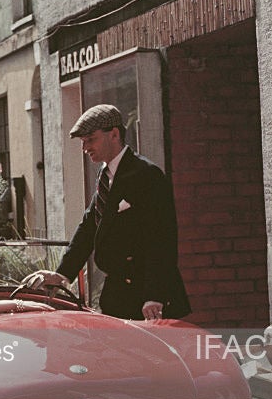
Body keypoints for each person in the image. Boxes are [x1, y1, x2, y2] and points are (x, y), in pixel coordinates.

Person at [24, 103, 190, 321]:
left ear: (114, 134)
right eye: (83, 142)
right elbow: (89, 227)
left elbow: (162, 239)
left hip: (147, 299)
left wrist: (154, 295)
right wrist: (62, 274)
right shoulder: (107, 175)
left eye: (91, 139)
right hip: (117, 294)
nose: (85, 148)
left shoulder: (146, 174)